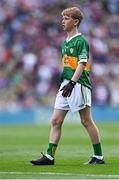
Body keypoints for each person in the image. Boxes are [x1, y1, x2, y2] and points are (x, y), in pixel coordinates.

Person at [30, 7, 105, 165]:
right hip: (66, 84)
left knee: (86, 120)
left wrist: (72, 82)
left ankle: (98, 156)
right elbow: (67, 65)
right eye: (62, 18)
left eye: (66, 18)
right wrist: (64, 82)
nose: (62, 21)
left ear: (75, 21)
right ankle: (50, 156)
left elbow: (82, 63)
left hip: (78, 84)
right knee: (56, 120)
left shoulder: (81, 41)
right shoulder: (64, 43)